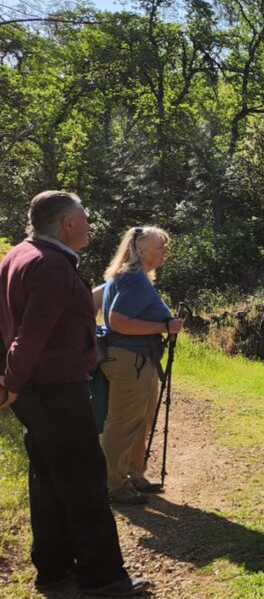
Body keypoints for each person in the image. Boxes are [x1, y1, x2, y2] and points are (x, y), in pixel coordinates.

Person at [0, 191, 150, 596]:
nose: (88, 224)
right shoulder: (50, 266)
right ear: (66, 223)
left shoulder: (18, 255)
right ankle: (103, 578)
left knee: (48, 482)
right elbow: (31, 335)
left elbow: (8, 326)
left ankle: (53, 570)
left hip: (38, 391)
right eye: (84, 217)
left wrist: (11, 380)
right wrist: (9, 382)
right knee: (85, 484)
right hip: (56, 390)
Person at [98, 226, 183, 504]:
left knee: (140, 419)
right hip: (129, 360)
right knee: (123, 423)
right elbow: (118, 320)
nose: (164, 253)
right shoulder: (134, 278)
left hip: (136, 359)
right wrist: (164, 326)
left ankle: (133, 475)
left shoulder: (131, 276)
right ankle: (114, 485)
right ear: (141, 249)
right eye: (160, 247)